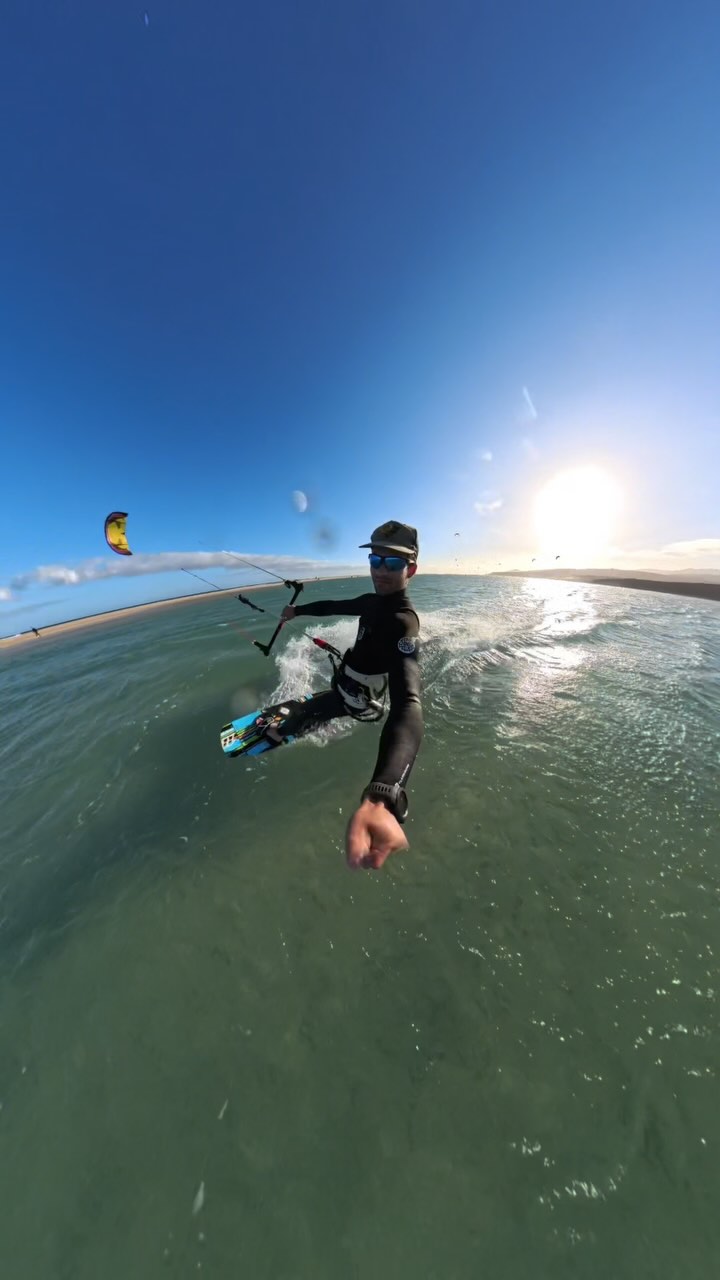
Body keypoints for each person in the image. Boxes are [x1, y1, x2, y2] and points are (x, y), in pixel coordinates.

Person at [268, 520, 423, 871]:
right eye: (375, 560)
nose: (380, 570)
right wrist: (297, 611)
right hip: (345, 680)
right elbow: (333, 605)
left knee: (302, 714)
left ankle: (294, 726)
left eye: (393, 563)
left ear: (410, 569)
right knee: (316, 705)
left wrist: (383, 794)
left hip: (357, 697)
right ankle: (314, 717)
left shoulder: (404, 622)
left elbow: (409, 704)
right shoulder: (372, 602)